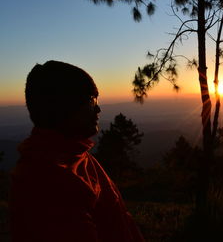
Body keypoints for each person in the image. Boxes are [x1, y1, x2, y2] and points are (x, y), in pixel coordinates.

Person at [10, 60, 145, 242]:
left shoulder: (78, 157)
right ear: (63, 106)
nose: (98, 108)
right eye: (91, 100)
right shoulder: (46, 181)